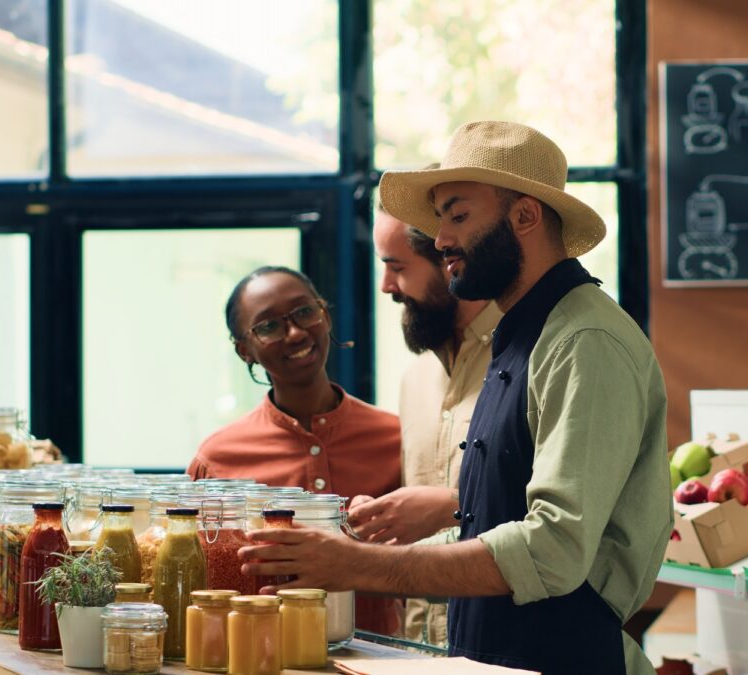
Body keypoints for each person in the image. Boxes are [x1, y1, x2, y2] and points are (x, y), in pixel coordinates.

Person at [240, 122, 672, 675]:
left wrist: (362, 565)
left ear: (525, 216)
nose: (440, 239)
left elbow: (554, 550)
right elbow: (508, 505)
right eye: (439, 218)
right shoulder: (525, 333)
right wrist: (434, 516)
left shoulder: (584, 340)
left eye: (458, 215)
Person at [188, 265, 403, 635]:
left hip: (380, 659)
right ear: (244, 350)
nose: (295, 332)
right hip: (258, 655)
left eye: (305, 311)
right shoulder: (218, 458)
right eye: (268, 326)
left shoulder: (395, 437)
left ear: (326, 315)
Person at [349, 206, 503, 645]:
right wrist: (384, 522)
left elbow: (559, 524)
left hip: (505, 650)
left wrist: (452, 505)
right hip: (421, 649)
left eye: (396, 268)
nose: (386, 287)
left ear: (448, 260)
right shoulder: (415, 380)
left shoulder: (530, 359)